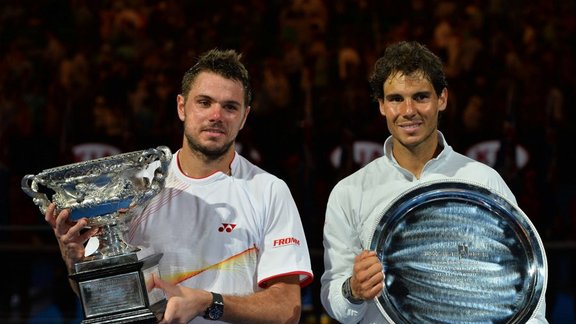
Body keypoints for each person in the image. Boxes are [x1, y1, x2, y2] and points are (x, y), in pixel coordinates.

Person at [44, 49, 313, 323]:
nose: (216, 115)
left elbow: (286, 310)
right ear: (182, 107)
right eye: (204, 102)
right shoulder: (135, 188)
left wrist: (208, 302)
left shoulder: (268, 190)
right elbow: (103, 298)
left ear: (244, 117)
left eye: (230, 107)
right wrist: (76, 261)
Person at [320, 41, 548, 323]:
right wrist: (352, 290)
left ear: (442, 99)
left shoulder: (484, 181)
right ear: (381, 105)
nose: (408, 110)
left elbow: (524, 291)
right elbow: (336, 299)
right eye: (395, 99)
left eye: (420, 97)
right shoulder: (349, 192)